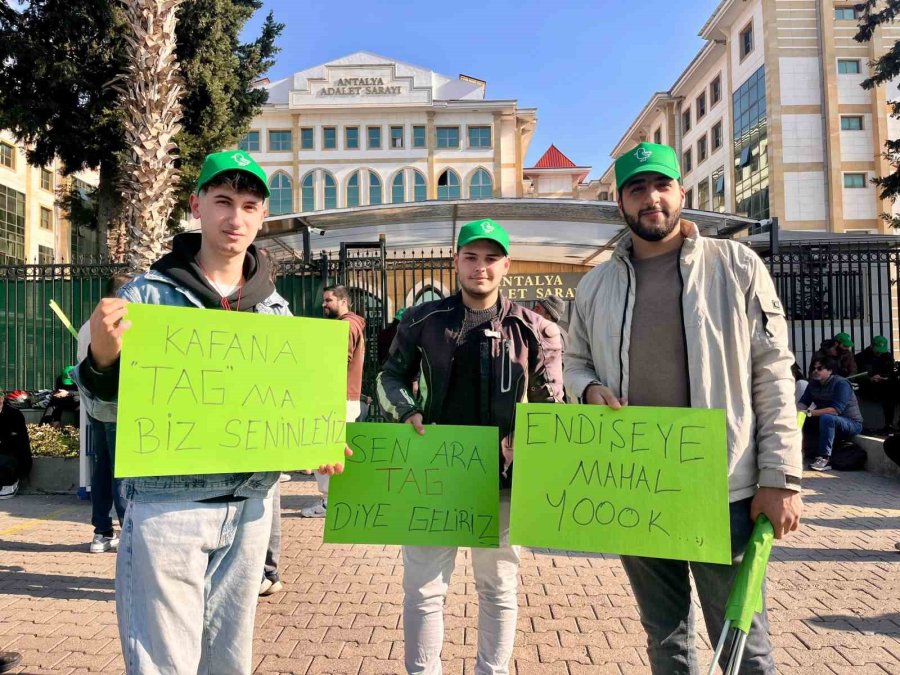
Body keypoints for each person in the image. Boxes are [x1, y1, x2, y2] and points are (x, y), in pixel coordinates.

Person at [74, 149, 348, 674]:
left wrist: (319, 443)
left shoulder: (277, 310)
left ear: (262, 217)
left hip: (250, 508)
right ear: (196, 204)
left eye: (249, 205)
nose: (235, 217)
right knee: (165, 665)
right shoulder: (146, 299)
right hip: (166, 507)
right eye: (223, 201)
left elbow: (284, 409)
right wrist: (103, 360)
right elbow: (105, 415)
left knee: (228, 664)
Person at [564, 142, 803, 674]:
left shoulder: (736, 265)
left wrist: (781, 475)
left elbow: (772, 372)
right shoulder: (596, 285)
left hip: (725, 490)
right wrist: (585, 388)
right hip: (634, 486)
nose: (651, 198)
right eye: (637, 189)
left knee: (742, 642)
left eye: (661, 185)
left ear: (681, 192)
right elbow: (573, 361)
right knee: (665, 638)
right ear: (621, 204)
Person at [377, 218, 565, 675]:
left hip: (503, 479)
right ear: (455, 260)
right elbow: (388, 376)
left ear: (507, 265)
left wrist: (533, 439)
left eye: (491, 259)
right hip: (433, 473)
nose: (481, 268)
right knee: (423, 589)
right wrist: (406, 412)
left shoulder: (535, 328)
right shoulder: (422, 319)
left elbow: (553, 403)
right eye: (471, 257)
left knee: (498, 587)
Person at [300, 284, 366, 518]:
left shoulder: (346, 325)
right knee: (335, 449)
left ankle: (330, 503)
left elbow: (339, 361)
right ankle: (337, 500)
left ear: (343, 301)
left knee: (326, 448)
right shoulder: (352, 324)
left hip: (337, 398)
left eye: (328, 300)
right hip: (344, 397)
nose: (323, 304)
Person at [77, 273, 132, 553]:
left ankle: (102, 531)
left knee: (102, 468)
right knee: (121, 472)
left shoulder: (89, 325)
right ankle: (127, 531)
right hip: (117, 408)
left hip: (96, 408)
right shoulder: (120, 326)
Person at [799, 355, 864, 471]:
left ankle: (825, 458)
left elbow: (835, 410)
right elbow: (803, 402)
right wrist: (795, 414)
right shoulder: (813, 384)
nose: (815, 371)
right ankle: (797, 451)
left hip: (850, 423)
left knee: (826, 418)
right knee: (800, 417)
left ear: (829, 370)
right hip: (825, 420)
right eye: (814, 368)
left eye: (819, 369)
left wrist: (808, 413)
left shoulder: (841, 384)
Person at [855, 335, 897, 434]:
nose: (879, 353)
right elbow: (856, 376)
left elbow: (891, 372)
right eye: (877, 350)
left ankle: (889, 425)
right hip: (867, 386)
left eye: (881, 351)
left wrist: (885, 377)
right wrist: (870, 379)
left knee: (891, 392)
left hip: (885, 385)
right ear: (871, 346)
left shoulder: (887, 356)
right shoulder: (860, 358)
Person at [0, 391, 32, 500]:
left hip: (13, 454)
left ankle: (10, 483)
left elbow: (15, 441)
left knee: (4, 460)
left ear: (2, 398)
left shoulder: (14, 414)